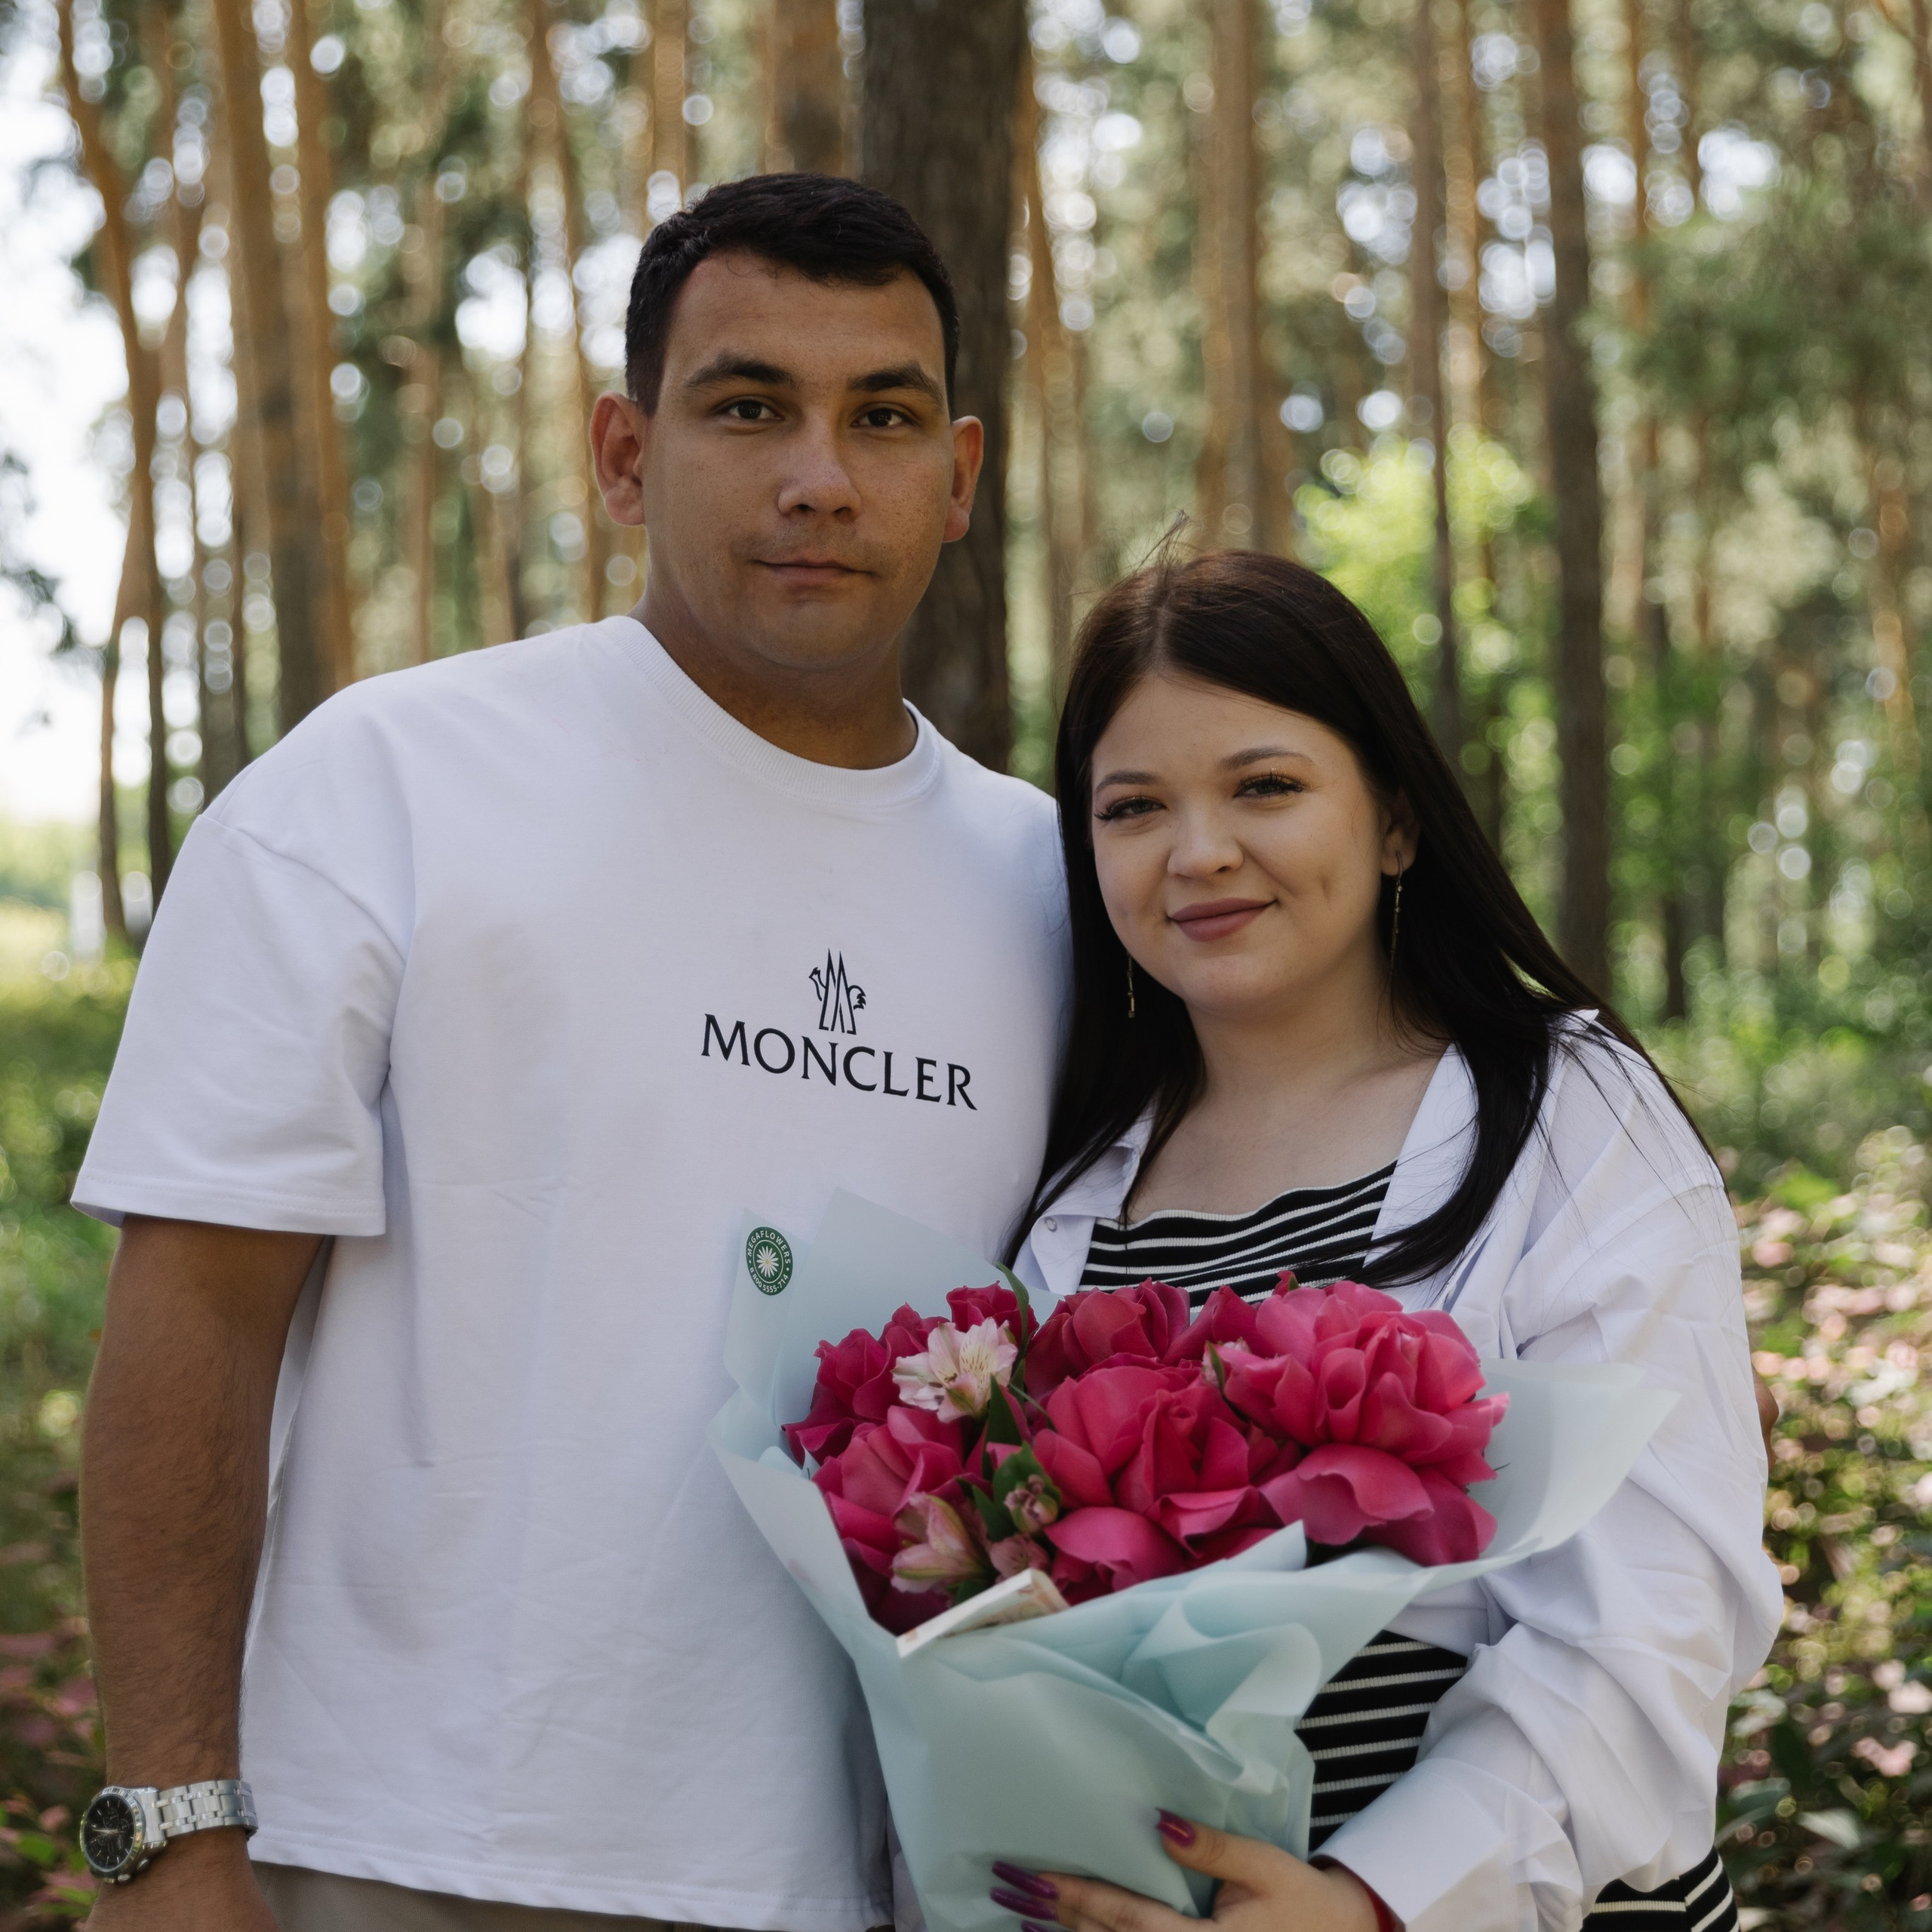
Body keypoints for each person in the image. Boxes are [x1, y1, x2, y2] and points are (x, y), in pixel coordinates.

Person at [70, 174, 1067, 1932]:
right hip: (409, 1850)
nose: (819, 476)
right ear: (623, 453)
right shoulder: (383, 788)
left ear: (960, 475)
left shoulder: (1056, 888)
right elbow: (195, 1317)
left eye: (882, 416)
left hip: (899, 1869)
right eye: (746, 407)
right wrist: (170, 1831)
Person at [997, 551, 1780, 1932]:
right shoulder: (1065, 1204)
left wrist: (1375, 1898)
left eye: (1265, 786)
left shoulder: (1564, 1111)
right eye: (1133, 807)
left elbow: (1658, 1609)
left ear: (1399, 822)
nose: (1198, 852)